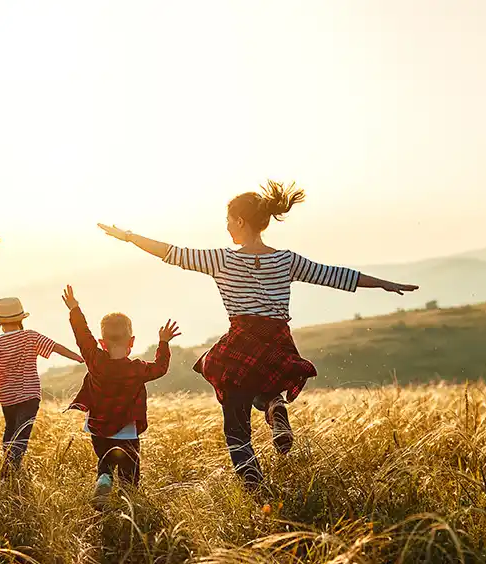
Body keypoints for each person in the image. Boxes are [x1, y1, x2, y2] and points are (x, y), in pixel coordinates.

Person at [97, 181, 417, 491]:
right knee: (264, 384)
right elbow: (336, 275)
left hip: (241, 343)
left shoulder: (221, 259)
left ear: (239, 220)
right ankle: (274, 405)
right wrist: (386, 284)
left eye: (228, 221)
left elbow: (170, 252)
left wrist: (127, 236)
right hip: (277, 342)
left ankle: (257, 490)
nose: (226, 228)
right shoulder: (286, 260)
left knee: (235, 427)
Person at [61, 285, 179, 509]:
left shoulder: (94, 359)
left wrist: (74, 309)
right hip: (126, 428)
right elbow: (161, 367)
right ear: (132, 342)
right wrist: (163, 342)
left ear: (102, 343)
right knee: (129, 467)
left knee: (105, 459)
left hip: (97, 425)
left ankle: (104, 478)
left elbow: (82, 335)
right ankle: (128, 501)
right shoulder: (137, 369)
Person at [0, 297, 83, 474]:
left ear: (0, 322)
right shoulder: (31, 336)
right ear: (21, 319)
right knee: (22, 432)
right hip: (29, 394)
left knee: (10, 429)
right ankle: (12, 470)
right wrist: (80, 358)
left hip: (7, 396)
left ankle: (7, 467)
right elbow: (56, 347)